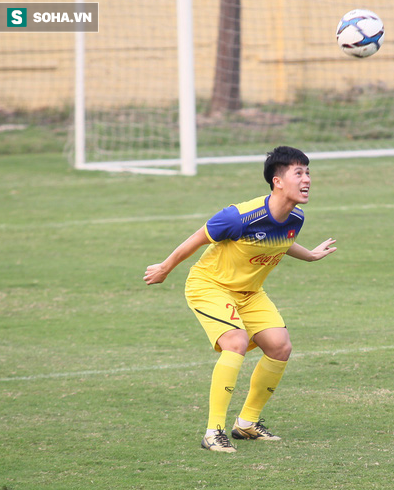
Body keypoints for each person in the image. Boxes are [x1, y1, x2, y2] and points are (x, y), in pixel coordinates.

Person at [144, 146, 337, 453]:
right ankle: (213, 432)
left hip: (249, 294)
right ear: (277, 181)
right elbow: (198, 237)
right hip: (210, 286)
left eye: (308, 172)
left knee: (280, 346)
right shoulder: (239, 216)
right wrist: (165, 268)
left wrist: (310, 255)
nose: (307, 179)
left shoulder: (295, 218)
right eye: (298, 173)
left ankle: (246, 424)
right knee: (235, 343)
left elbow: (282, 241)